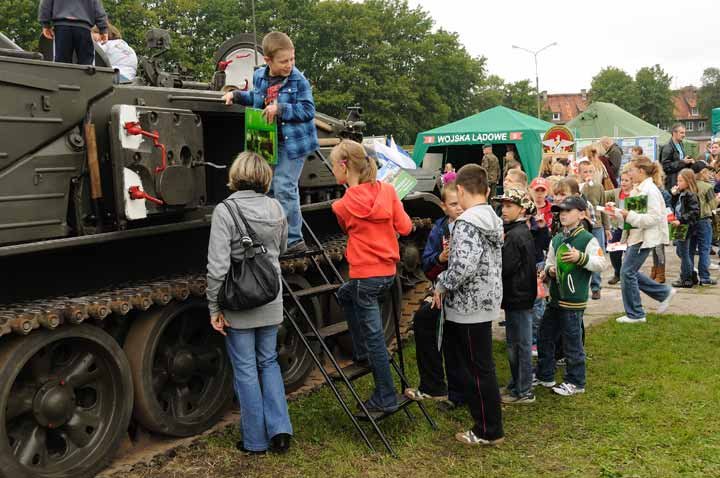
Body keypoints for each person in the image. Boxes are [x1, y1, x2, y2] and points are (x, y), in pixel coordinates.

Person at [206, 152, 292, 454]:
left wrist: (214, 308)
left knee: (245, 369)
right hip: (270, 297)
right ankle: (281, 431)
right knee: (268, 361)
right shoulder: (276, 206)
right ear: (264, 177)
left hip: (239, 303)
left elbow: (217, 268)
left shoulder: (224, 211)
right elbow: (280, 249)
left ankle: (255, 441)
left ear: (236, 174)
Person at [330, 140, 412, 413]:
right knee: (344, 294)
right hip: (387, 273)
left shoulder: (341, 206)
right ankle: (363, 351)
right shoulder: (388, 191)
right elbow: (407, 227)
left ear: (344, 167)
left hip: (364, 275)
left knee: (375, 336)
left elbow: (347, 229)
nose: (332, 171)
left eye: (333, 166)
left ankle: (385, 395)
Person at [223, 31, 319, 254]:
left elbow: (308, 110)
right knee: (266, 189)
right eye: (284, 61)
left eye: (292, 59)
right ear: (267, 60)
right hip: (267, 140)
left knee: (284, 185)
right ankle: (271, 235)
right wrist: (235, 95)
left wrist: (281, 109)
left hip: (293, 143)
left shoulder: (298, 80)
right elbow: (255, 98)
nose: (289, 65)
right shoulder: (259, 76)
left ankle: (294, 240)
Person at [432, 164, 504, 446]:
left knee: (478, 369)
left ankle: (488, 429)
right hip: (486, 299)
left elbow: (462, 267)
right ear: (485, 190)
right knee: (482, 366)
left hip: (469, 305)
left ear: (460, 190)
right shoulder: (491, 217)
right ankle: (489, 423)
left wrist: (441, 282)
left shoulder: (466, 223)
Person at [535, 196, 606, 396]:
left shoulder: (587, 239)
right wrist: (549, 271)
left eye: (568, 211)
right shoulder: (557, 238)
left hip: (574, 302)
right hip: (555, 299)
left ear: (581, 214)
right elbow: (549, 261)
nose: (563, 214)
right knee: (545, 336)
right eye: (561, 211)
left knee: (572, 343)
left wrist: (580, 258)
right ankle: (545, 375)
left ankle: (576, 381)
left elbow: (601, 263)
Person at [404, 182, 466, 408]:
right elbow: (426, 265)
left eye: (461, 203)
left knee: (455, 340)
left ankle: (459, 393)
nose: (458, 208)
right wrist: (440, 259)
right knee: (423, 320)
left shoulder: (470, 226)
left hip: (462, 293)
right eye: (453, 204)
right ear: (443, 206)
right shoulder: (439, 229)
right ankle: (433, 385)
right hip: (440, 289)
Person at [615, 156, 676, 324]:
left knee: (627, 272)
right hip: (637, 236)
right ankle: (663, 293)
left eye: (632, 171)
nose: (629, 174)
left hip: (645, 237)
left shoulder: (650, 190)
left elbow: (654, 218)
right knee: (629, 272)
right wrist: (619, 214)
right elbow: (634, 215)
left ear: (641, 171)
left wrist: (629, 215)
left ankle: (636, 314)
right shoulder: (641, 189)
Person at [494, 189, 537, 404]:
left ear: (521, 209)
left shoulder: (516, 234)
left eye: (509, 206)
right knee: (515, 344)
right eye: (503, 206)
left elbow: (505, 266)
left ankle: (524, 390)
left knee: (520, 345)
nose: (504, 210)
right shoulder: (515, 231)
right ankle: (515, 385)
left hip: (519, 296)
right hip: (517, 296)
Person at [578, 160, 611, 300]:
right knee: (583, 254)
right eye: (585, 171)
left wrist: (607, 227)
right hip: (583, 225)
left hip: (597, 225)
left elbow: (603, 207)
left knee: (598, 254)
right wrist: (584, 186)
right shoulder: (579, 188)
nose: (588, 174)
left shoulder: (599, 187)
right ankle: (582, 285)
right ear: (580, 173)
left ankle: (596, 286)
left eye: (590, 171)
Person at [39, 0, 108, 65]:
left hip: (62, 26)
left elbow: (46, 3)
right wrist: (103, 29)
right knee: (86, 63)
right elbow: (97, 7)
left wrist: (45, 24)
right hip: (83, 27)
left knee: (62, 63)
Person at [669, 169, 700, 288]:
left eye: (681, 180)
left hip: (684, 226)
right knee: (680, 251)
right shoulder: (681, 193)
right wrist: (674, 195)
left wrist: (681, 220)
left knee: (683, 252)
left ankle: (686, 278)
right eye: (677, 180)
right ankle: (691, 274)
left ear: (688, 181)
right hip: (679, 225)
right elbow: (675, 206)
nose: (678, 183)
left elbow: (694, 212)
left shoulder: (690, 194)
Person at [689, 161, 719, 285]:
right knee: (704, 249)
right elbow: (712, 205)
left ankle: (689, 274)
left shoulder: (689, 185)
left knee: (690, 250)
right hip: (703, 220)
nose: (710, 175)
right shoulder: (708, 187)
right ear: (702, 173)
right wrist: (717, 199)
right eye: (708, 172)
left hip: (690, 221)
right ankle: (705, 277)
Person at [604, 169, 634, 284]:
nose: (623, 183)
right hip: (619, 227)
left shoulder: (635, 193)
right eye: (622, 180)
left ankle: (627, 274)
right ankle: (618, 272)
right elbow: (603, 195)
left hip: (631, 229)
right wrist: (609, 206)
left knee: (629, 254)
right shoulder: (617, 192)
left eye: (626, 180)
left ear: (632, 181)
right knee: (613, 249)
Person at [660, 123, 694, 191]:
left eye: (684, 133)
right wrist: (683, 162)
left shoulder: (680, 144)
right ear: (674, 133)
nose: (684, 135)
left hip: (681, 181)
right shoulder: (667, 147)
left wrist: (689, 162)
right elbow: (665, 166)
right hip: (671, 183)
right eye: (681, 133)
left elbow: (680, 162)